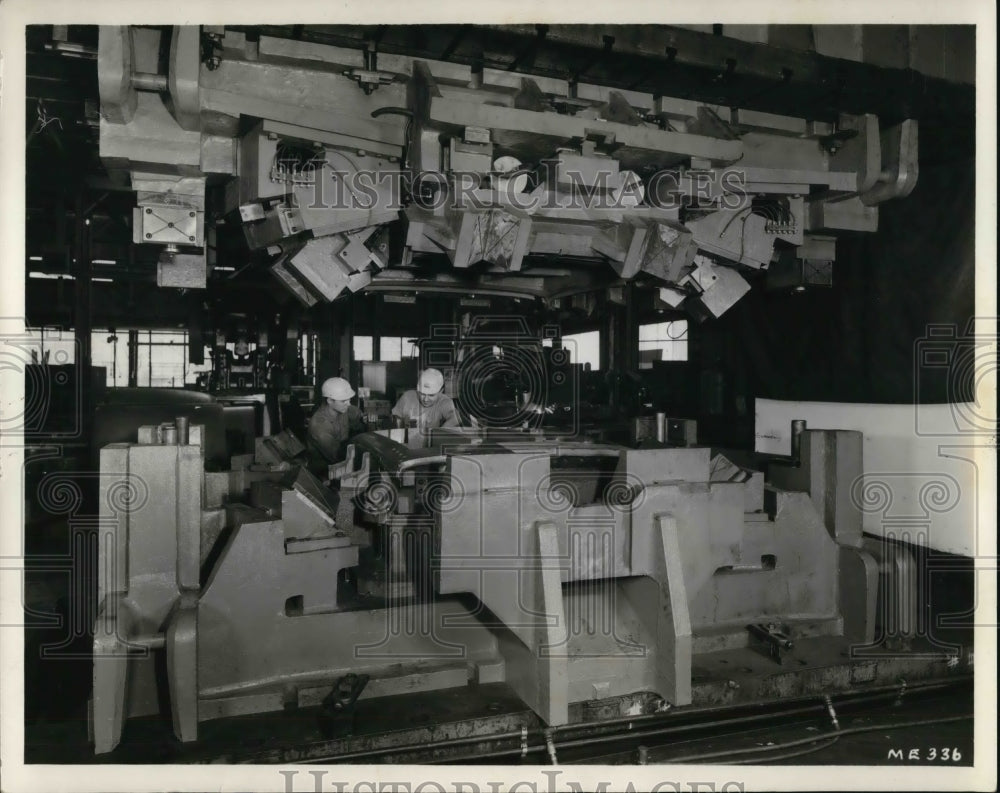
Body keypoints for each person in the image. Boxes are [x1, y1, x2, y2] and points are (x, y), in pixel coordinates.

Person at [306, 377, 367, 474]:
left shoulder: (342, 408)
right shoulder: (319, 426)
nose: (348, 404)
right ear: (330, 401)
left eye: (349, 400)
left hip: (344, 455)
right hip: (325, 470)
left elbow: (358, 415)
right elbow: (338, 456)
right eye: (344, 401)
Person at [391, 368, 459, 442]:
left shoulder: (445, 402)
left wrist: (437, 435)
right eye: (422, 394)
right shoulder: (407, 397)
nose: (426, 399)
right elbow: (395, 418)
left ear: (441, 391)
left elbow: (455, 419)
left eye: (431, 395)